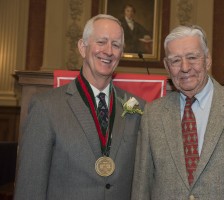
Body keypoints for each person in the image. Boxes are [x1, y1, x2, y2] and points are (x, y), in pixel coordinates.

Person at [131, 25, 224, 200]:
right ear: (167, 66)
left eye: (192, 57)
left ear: (207, 60)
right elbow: (141, 187)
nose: (185, 68)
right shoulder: (152, 114)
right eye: (175, 60)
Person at [14, 14, 145, 200]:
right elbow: (30, 187)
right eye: (101, 42)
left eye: (116, 45)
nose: (108, 51)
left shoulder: (139, 108)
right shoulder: (46, 107)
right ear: (82, 48)